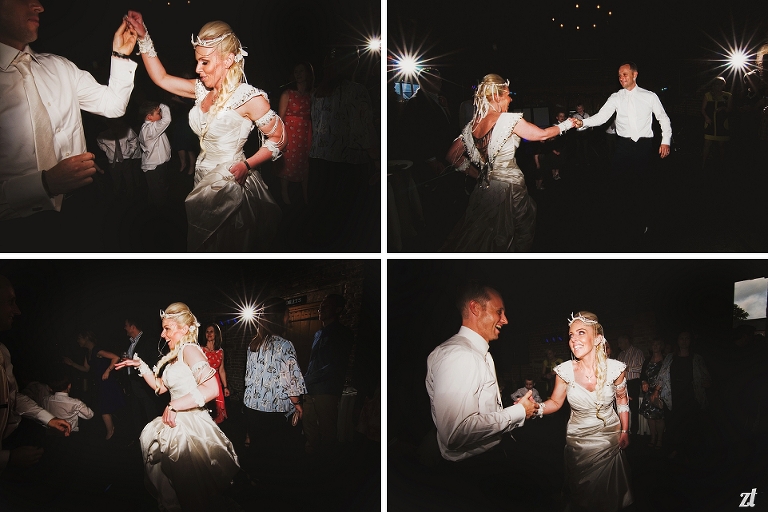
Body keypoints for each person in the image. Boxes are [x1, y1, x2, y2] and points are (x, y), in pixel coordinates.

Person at [124, 11, 283, 252]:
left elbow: (280, 138)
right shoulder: (201, 91)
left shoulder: (249, 97)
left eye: (205, 62)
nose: (198, 68)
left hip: (232, 182)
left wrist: (248, 165)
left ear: (228, 60)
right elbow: (162, 78)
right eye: (197, 60)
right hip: (201, 179)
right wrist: (144, 38)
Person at [0, 1, 137, 252]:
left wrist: (120, 55)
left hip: (84, 208)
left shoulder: (59, 66)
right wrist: (45, 184)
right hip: (17, 232)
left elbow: (113, 106)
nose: (39, 6)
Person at [115, 303, 239, 511]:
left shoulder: (190, 350)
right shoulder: (176, 355)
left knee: (190, 492)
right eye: (163, 328)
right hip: (174, 425)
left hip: (189, 429)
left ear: (184, 328)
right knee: (174, 489)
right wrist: (140, 366)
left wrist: (174, 405)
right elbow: (160, 387)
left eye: (168, 328)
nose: (163, 334)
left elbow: (211, 388)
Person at [440, 74, 582, 252]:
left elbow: (452, 156)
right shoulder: (507, 120)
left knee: (483, 232)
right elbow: (541, 134)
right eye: (507, 94)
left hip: (484, 189)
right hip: (510, 189)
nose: (511, 98)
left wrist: (479, 176)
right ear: (498, 96)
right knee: (514, 230)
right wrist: (568, 124)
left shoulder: (471, 127)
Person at [425, 281, 538, 463]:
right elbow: (456, 433)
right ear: (475, 308)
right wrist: (519, 411)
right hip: (471, 469)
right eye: (499, 312)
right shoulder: (461, 355)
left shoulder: (478, 353)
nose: (505, 320)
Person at [534, 311, 633, 512]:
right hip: (578, 442)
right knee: (582, 495)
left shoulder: (615, 369)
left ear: (597, 338)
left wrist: (625, 430)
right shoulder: (565, 371)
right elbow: (555, 401)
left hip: (609, 440)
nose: (574, 340)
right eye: (571, 335)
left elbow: (622, 400)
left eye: (580, 333)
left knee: (608, 495)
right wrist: (535, 408)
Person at [578, 61, 672, 241]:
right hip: (623, 146)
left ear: (635, 75)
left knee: (643, 185)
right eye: (619, 75)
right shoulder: (616, 97)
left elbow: (663, 118)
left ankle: (643, 221)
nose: (621, 78)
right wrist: (583, 123)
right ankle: (619, 221)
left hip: (644, 146)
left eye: (625, 74)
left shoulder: (649, 96)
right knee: (618, 183)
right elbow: (601, 117)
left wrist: (665, 140)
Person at [0, 275, 71, 473]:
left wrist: (48, 418)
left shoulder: (3, 352)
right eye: (10, 302)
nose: (17, 311)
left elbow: (13, 399)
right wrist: (8, 458)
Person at [243, 298, 306, 470]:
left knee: (259, 449)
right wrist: (298, 404)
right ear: (282, 317)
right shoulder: (285, 345)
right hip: (275, 410)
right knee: (276, 453)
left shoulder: (254, 344)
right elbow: (291, 381)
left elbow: (249, 377)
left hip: (252, 408)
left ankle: (256, 480)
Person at [303, 294, 354, 458]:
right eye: (320, 305)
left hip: (327, 389)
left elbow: (334, 365)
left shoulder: (343, 333)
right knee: (308, 422)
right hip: (311, 387)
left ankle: (326, 461)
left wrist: (309, 378)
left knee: (327, 427)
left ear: (338, 309)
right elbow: (314, 361)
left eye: (326, 305)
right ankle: (311, 455)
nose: (321, 308)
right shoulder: (318, 333)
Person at [656, 330, 710, 462]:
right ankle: (674, 450)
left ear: (690, 341)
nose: (684, 341)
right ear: (677, 340)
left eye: (687, 338)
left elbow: (705, 377)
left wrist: (706, 383)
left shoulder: (697, 358)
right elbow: (661, 376)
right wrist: (655, 391)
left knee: (689, 426)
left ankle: (688, 452)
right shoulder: (670, 357)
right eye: (681, 338)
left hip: (690, 397)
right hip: (672, 397)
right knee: (673, 425)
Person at [62, 331, 125, 440]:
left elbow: (115, 357)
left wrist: (107, 371)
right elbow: (86, 369)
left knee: (105, 409)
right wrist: (72, 364)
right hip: (100, 384)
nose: (78, 341)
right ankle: (113, 432)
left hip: (107, 383)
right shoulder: (88, 353)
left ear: (86, 338)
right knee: (105, 409)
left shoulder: (97, 350)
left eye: (79, 338)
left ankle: (111, 433)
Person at [277, 62, 314, 205]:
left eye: (301, 71)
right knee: (288, 161)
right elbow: (280, 118)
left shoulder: (311, 94)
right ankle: (284, 192)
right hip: (290, 132)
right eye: (296, 72)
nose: (298, 75)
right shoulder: (287, 93)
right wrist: (281, 138)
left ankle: (306, 195)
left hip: (306, 133)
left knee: (305, 162)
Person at [123, 317, 159, 441]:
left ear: (133, 327)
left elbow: (154, 361)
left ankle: (155, 441)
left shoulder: (148, 340)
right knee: (136, 414)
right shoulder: (130, 343)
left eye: (126, 325)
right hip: (132, 384)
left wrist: (137, 364)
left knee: (150, 414)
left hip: (145, 384)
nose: (125, 328)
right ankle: (141, 442)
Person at [96, 117, 142, 199]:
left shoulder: (126, 131)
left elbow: (134, 139)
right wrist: (106, 150)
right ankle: (117, 196)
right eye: (110, 123)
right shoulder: (104, 134)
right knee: (116, 179)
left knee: (129, 178)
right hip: (113, 161)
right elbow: (99, 142)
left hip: (126, 159)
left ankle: (131, 195)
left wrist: (131, 151)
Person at [138, 101, 172, 210]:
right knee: (158, 195)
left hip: (158, 166)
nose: (161, 114)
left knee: (157, 192)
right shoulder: (149, 129)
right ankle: (159, 217)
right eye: (158, 113)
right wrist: (163, 104)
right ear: (149, 117)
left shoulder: (152, 127)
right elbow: (167, 119)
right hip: (154, 168)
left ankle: (155, 215)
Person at [616, 334, 645, 435]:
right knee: (621, 406)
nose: (619, 345)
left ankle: (634, 432)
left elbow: (641, 368)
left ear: (626, 341)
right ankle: (623, 430)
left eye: (620, 343)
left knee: (633, 409)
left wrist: (628, 369)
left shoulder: (637, 352)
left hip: (633, 383)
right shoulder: (621, 355)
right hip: (622, 383)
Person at [200, 323, 229, 424]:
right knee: (204, 409)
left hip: (216, 383)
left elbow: (221, 370)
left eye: (211, 331)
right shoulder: (200, 350)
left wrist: (225, 387)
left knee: (216, 412)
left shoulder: (220, 351)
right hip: (203, 381)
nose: (209, 334)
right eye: (207, 332)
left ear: (216, 334)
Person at [701, 76, 733, 168]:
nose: (719, 86)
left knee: (721, 145)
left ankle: (721, 164)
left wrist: (723, 108)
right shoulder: (708, 95)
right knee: (707, 144)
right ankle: (703, 163)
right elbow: (703, 109)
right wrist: (706, 117)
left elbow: (730, 110)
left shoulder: (728, 96)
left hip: (721, 124)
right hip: (710, 123)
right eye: (717, 84)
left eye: (721, 85)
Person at [639, 339, 665, 449]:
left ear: (661, 346)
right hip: (649, 392)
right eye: (653, 344)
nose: (655, 346)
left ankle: (660, 439)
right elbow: (642, 375)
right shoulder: (647, 360)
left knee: (659, 418)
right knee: (650, 417)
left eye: (657, 344)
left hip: (661, 392)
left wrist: (658, 390)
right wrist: (644, 381)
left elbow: (666, 376)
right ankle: (653, 438)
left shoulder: (666, 360)